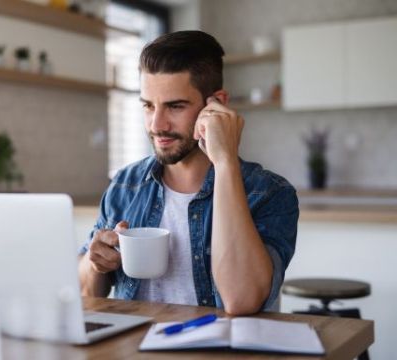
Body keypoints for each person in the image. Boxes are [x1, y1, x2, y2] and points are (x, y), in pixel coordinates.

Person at [78, 31, 298, 315]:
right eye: (148, 106)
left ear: (216, 104)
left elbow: (242, 300)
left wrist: (226, 162)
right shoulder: (126, 184)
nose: (157, 124)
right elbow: (85, 293)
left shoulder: (268, 193)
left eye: (175, 106)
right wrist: (95, 264)